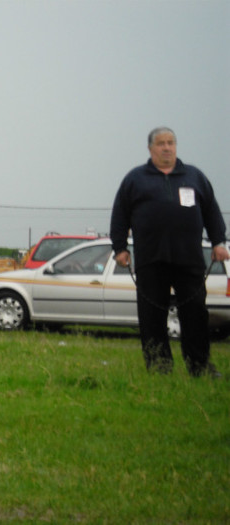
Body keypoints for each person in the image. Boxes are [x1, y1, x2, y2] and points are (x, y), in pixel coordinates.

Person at [110, 126, 229, 377]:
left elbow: (211, 212)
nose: (167, 147)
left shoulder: (194, 177)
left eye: (171, 142)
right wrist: (120, 248)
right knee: (152, 316)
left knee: (195, 314)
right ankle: (159, 367)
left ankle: (200, 366)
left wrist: (219, 242)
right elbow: (120, 215)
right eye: (161, 143)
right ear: (151, 148)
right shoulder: (135, 179)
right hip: (151, 260)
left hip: (189, 260)